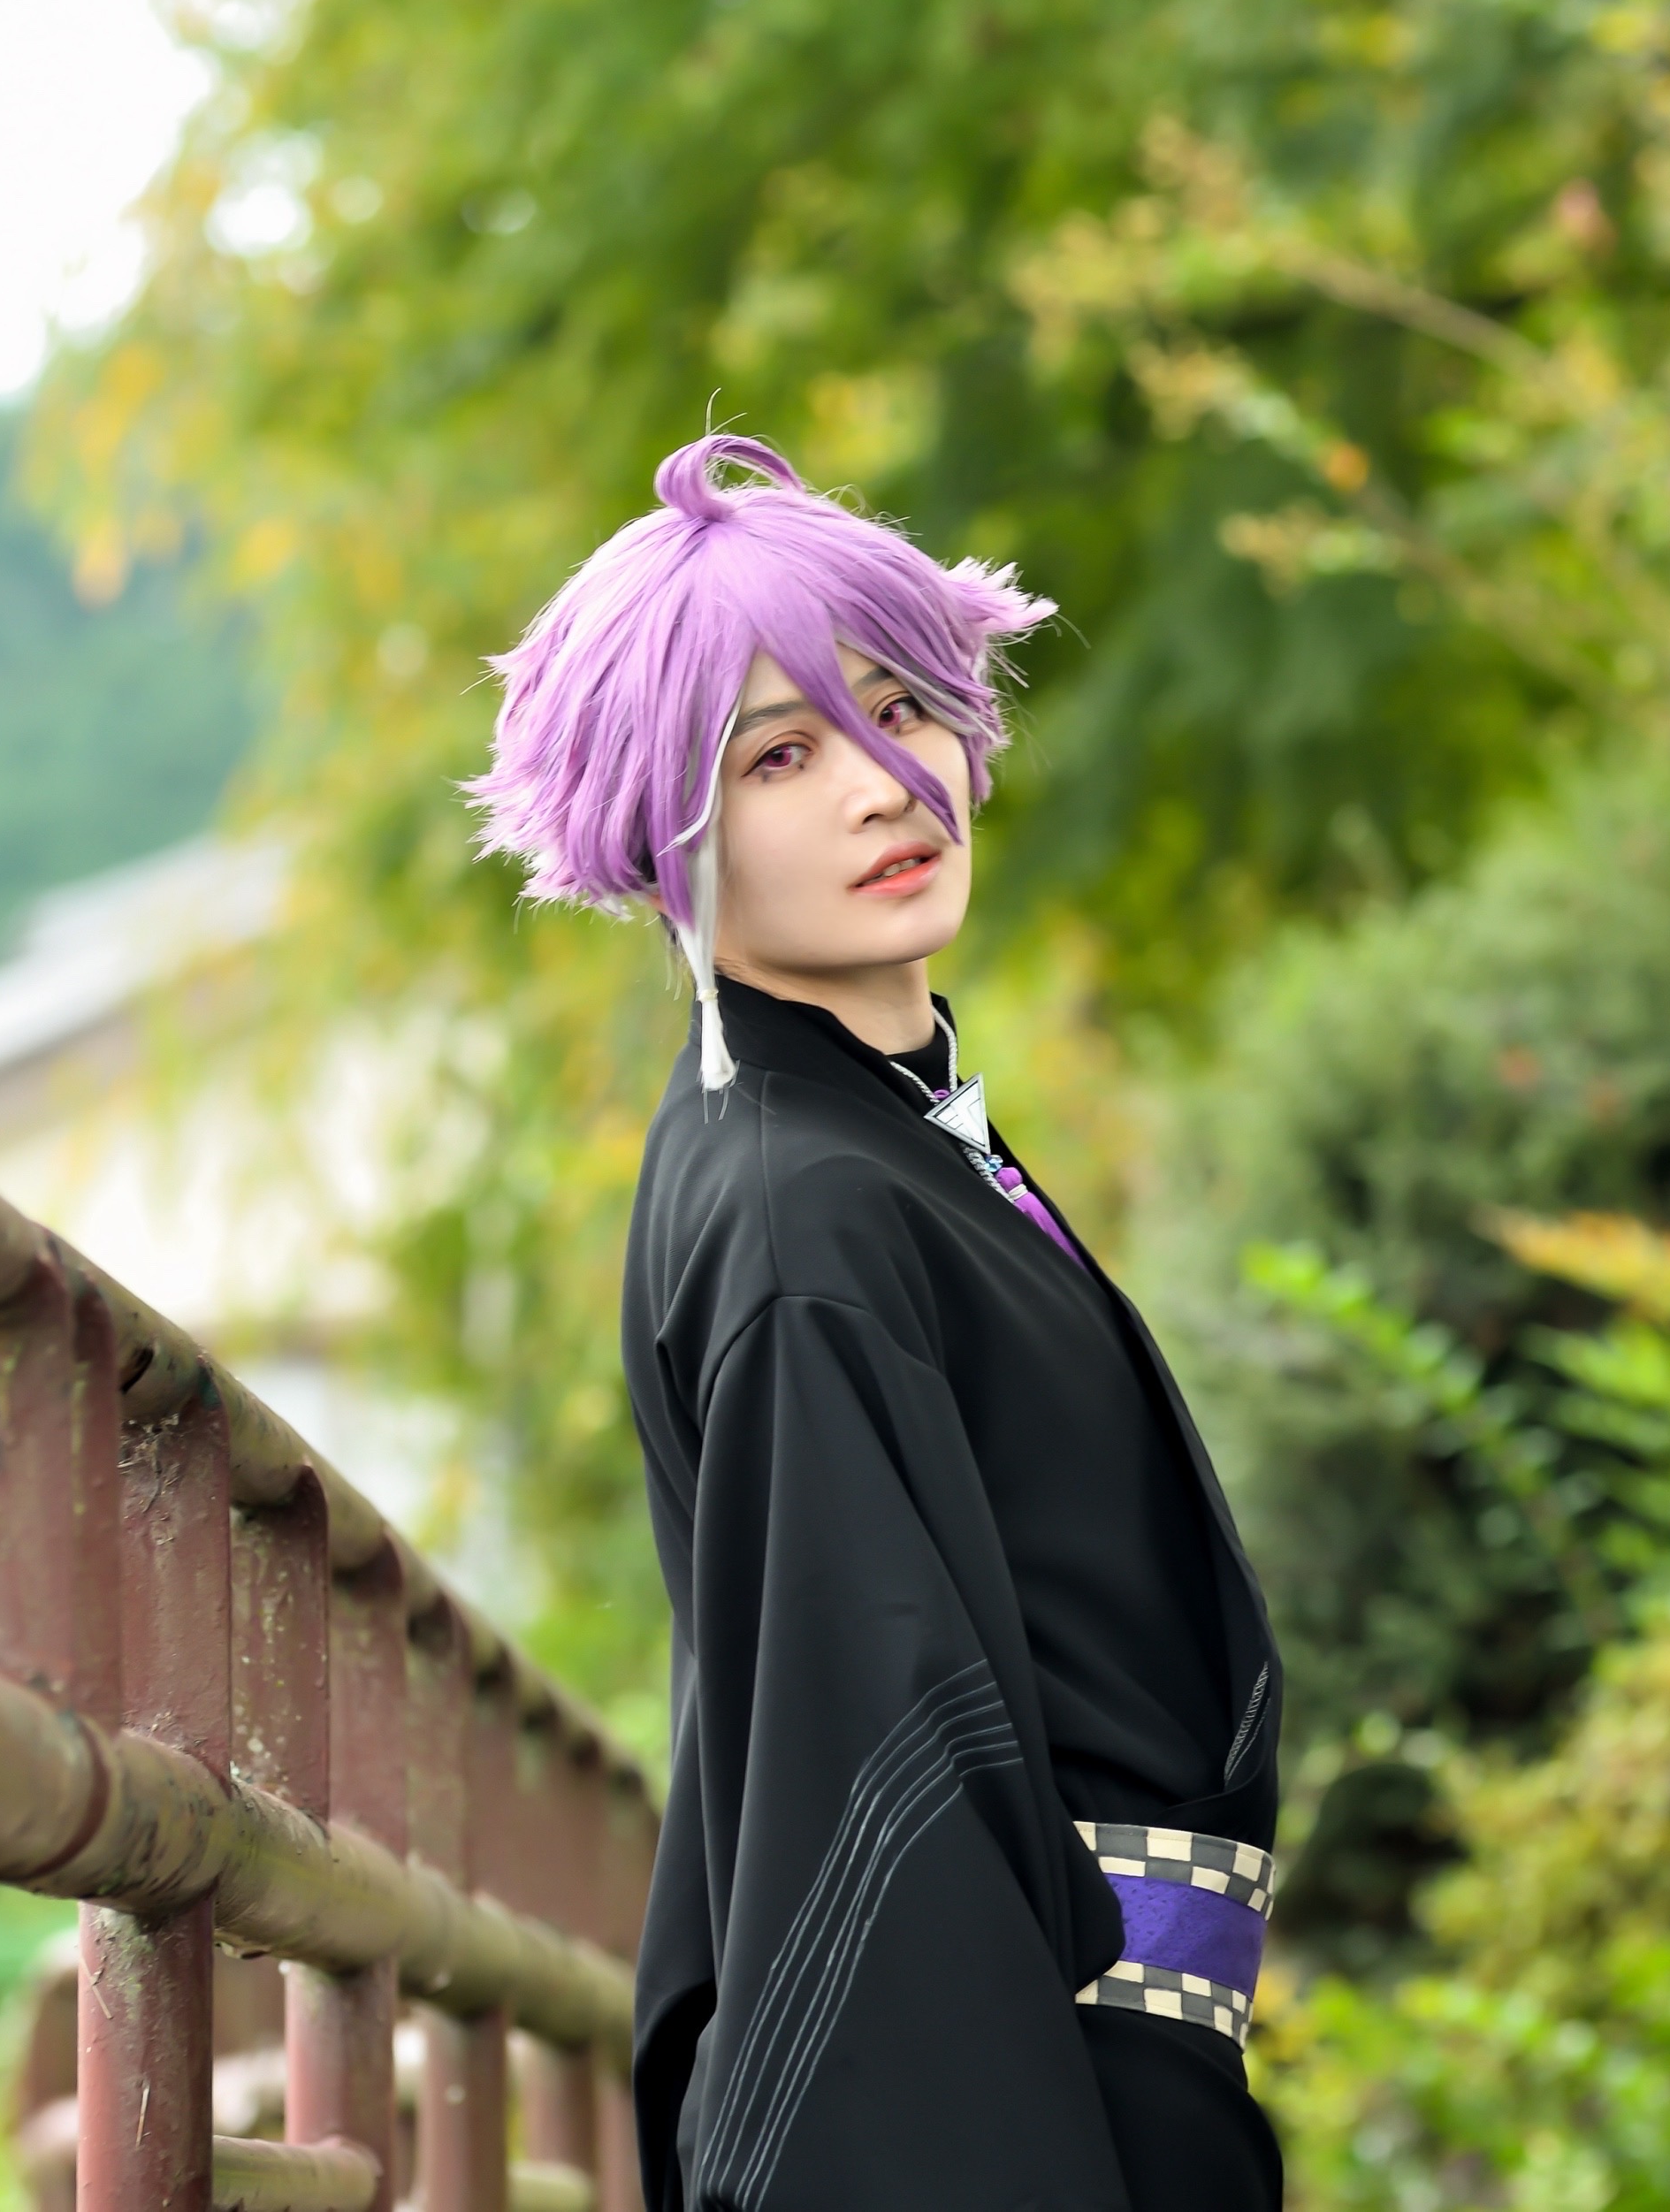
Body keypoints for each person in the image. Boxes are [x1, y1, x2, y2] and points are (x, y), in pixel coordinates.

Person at [468, 431, 1284, 2212]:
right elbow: (876, 1767)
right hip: (1018, 2095)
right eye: (780, 753)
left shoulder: (876, 1132)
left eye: (902, 707)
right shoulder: (802, 1212)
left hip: (1112, 2061)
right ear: (660, 838)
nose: (881, 783)